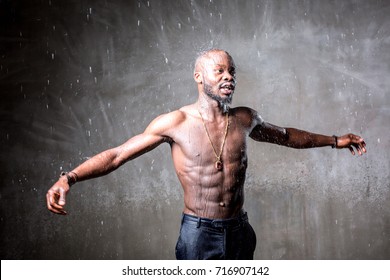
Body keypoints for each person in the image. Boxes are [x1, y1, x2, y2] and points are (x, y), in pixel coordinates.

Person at [46, 49, 367, 259]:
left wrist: (334, 139)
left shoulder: (244, 118)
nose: (228, 76)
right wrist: (68, 179)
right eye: (219, 71)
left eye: (232, 71)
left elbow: (286, 136)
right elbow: (117, 155)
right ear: (199, 77)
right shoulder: (175, 122)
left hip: (240, 230)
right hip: (199, 234)